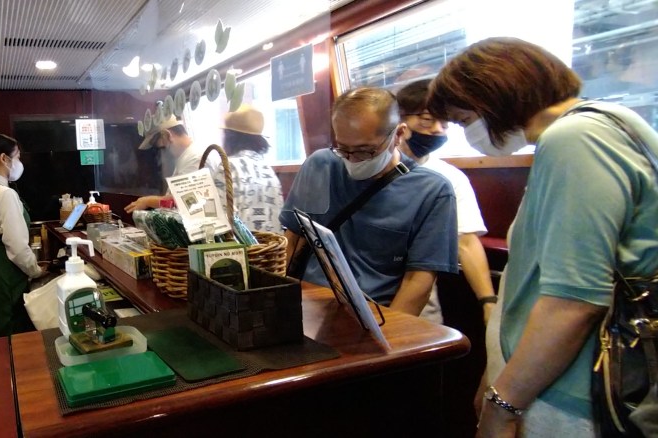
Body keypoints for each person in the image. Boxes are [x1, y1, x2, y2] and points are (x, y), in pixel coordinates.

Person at [427, 37, 658, 437]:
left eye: (465, 120)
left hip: (580, 386)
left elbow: (574, 302)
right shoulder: (612, 121)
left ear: (494, 97)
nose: (468, 133)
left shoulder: (575, 139)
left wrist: (502, 405)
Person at [279, 87, 458, 316]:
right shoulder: (321, 165)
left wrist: (388, 332)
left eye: (365, 151)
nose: (352, 160)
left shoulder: (432, 191)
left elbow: (418, 281)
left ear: (398, 134)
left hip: (377, 313)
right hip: (308, 304)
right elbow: (292, 240)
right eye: (343, 149)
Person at [395, 79, 496, 325]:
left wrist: (488, 301)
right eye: (427, 120)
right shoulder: (366, 169)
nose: (437, 130)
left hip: (421, 311)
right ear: (398, 120)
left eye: (445, 124)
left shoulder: (450, 177)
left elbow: (466, 242)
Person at [0, 134, 44, 339]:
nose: (20, 163)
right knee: (12, 329)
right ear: (4, 158)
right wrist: (35, 270)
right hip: (6, 269)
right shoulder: (5, 194)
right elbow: (17, 247)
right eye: (17, 157)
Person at [207, 105, 284, 233]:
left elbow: (215, 220)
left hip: (241, 246)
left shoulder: (228, 167)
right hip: (272, 244)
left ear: (230, 137)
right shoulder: (267, 169)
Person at [124, 116, 216, 212]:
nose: (162, 152)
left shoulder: (195, 158)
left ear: (167, 135)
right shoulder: (186, 157)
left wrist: (148, 201)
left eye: (160, 147)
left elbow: (181, 202)